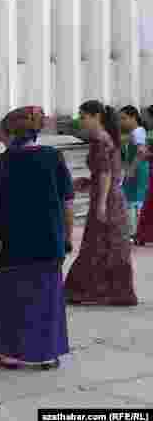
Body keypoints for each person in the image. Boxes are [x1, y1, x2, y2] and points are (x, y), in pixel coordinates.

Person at [0, 106, 73, 371]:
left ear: (10, 133)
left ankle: (13, 354)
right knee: (46, 297)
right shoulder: (53, 157)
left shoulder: (2, 162)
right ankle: (46, 354)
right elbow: (67, 202)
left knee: (11, 297)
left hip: (11, 242)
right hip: (47, 240)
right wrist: (66, 237)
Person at [64, 101, 138, 306]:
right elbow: (108, 173)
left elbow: (105, 172)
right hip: (111, 195)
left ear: (96, 116)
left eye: (84, 116)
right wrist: (88, 183)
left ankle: (84, 290)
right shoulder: (106, 138)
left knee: (96, 244)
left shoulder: (99, 139)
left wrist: (101, 203)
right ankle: (115, 291)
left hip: (107, 199)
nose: (81, 121)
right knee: (108, 244)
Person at [119, 106, 148, 242]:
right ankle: (135, 231)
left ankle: (135, 232)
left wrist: (131, 168)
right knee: (133, 200)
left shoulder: (137, 132)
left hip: (137, 170)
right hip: (136, 169)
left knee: (134, 201)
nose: (121, 122)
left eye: (124, 118)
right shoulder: (137, 131)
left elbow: (141, 151)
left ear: (133, 117)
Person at [135, 106, 153, 246]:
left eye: (146, 116)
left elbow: (146, 155)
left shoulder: (150, 134)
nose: (145, 119)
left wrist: (144, 154)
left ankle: (142, 235)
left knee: (149, 204)